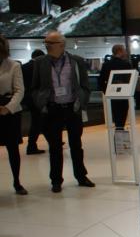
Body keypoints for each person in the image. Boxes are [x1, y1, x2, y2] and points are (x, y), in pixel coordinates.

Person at [32, 30, 94, 193]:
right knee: (54, 147)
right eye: (45, 42)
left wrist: (82, 100)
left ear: (61, 44)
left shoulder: (76, 61)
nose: (46, 45)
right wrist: (40, 102)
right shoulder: (40, 62)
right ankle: (56, 180)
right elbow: (35, 87)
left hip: (73, 108)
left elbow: (85, 85)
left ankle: (81, 176)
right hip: (52, 109)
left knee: (76, 145)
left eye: (50, 43)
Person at [0, 34, 27, 195]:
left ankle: (17, 182)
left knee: (13, 149)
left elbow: (19, 90)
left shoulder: (14, 66)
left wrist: (8, 108)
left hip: (10, 112)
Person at [98, 44, 132, 129]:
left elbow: (101, 81)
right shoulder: (126, 64)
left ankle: (118, 130)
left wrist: (107, 92)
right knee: (122, 117)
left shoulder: (106, 65)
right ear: (120, 51)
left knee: (115, 115)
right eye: (124, 50)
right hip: (124, 95)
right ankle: (120, 131)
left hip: (112, 95)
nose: (125, 52)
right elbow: (129, 80)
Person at [21, 49, 46, 155]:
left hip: (27, 98)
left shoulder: (23, 67)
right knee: (38, 122)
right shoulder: (39, 67)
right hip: (37, 98)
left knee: (39, 121)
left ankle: (52, 141)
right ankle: (31, 146)